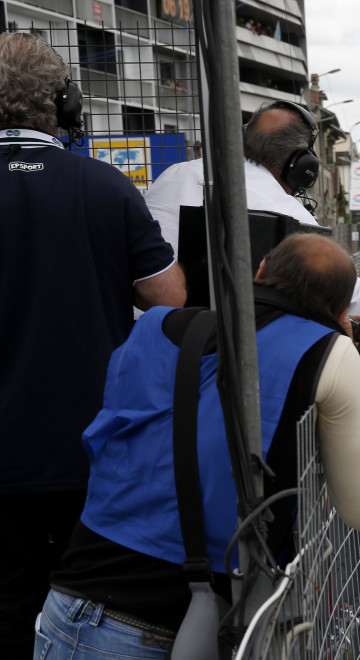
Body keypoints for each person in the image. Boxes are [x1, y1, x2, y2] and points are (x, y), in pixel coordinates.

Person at [35, 233, 360, 657]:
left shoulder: (152, 326)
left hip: (71, 602)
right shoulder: (328, 353)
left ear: (259, 272)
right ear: (341, 312)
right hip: (170, 627)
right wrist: (356, 370)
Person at [0, 32, 187, 658]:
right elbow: (169, 301)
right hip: (89, 451)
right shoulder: (105, 187)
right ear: (67, 105)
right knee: (84, 609)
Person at [143, 100, 360, 383]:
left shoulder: (174, 175)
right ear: (302, 167)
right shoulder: (288, 215)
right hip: (219, 368)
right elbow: (354, 298)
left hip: (145, 351)